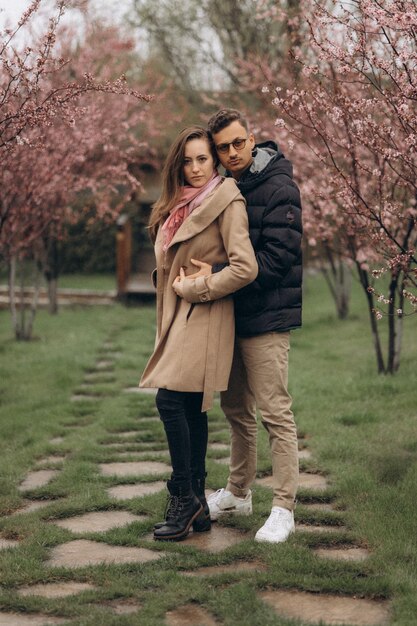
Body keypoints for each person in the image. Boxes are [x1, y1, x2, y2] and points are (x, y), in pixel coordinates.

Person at [139, 125, 258, 542]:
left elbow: (245, 267)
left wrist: (197, 287)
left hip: (204, 314)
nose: (194, 168)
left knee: (169, 399)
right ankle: (199, 506)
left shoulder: (227, 200)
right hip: (178, 313)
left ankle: (184, 495)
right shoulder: (179, 205)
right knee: (189, 406)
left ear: (216, 160)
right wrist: (169, 277)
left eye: (203, 159)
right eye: (187, 160)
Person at [192, 109, 302, 543]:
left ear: (252, 139)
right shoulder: (224, 188)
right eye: (224, 147)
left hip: (267, 317)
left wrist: (219, 276)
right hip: (231, 316)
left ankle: (284, 508)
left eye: (239, 143)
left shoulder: (279, 185)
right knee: (235, 410)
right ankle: (239, 492)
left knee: (275, 412)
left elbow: (277, 261)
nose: (233, 152)